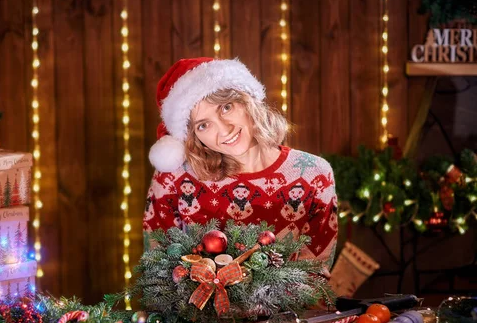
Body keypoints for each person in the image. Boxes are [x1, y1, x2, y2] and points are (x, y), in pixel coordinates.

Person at [143, 57, 338, 271]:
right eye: (203, 125)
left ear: (247, 101)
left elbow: (316, 277)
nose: (225, 130)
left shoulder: (314, 174)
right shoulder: (173, 179)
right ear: (193, 137)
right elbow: (157, 274)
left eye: (226, 107)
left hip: (292, 306)